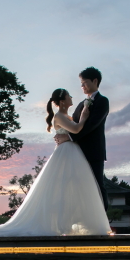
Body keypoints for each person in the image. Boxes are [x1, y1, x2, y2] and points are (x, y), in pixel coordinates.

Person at [0, 83, 111, 238]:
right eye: (69, 96)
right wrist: (84, 116)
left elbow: (75, 131)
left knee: (73, 188)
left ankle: (70, 222)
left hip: (72, 151)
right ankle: (58, 224)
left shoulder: (66, 115)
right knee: (60, 188)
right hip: (66, 152)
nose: (72, 98)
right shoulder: (60, 116)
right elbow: (77, 128)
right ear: (62, 101)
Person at [54, 67, 110, 210]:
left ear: (95, 81)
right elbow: (74, 124)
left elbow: (92, 125)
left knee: (97, 184)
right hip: (77, 152)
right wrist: (62, 133)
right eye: (81, 84)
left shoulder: (102, 101)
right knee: (79, 187)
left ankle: (103, 219)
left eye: (84, 83)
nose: (82, 86)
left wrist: (68, 137)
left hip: (94, 151)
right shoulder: (80, 105)